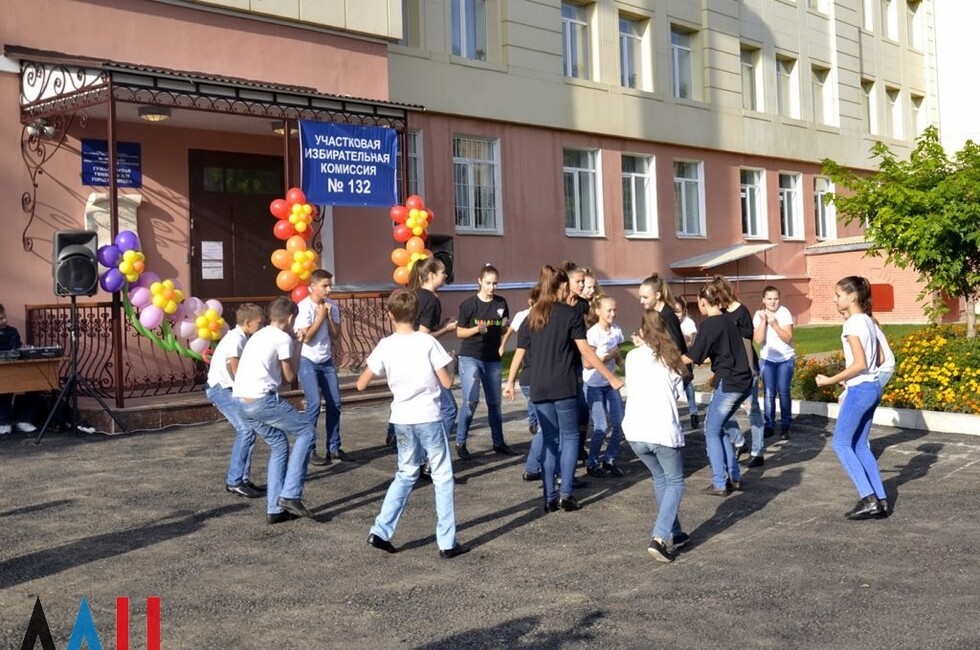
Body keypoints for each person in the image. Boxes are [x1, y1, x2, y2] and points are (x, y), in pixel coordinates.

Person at [504, 267, 623, 513]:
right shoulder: (570, 315)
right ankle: (565, 495)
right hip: (564, 384)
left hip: (538, 385)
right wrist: (611, 377)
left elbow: (519, 352)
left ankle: (549, 496)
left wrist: (510, 382)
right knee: (569, 437)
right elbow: (586, 351)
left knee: (550, 439)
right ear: (561, 286)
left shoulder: (532, 316)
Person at [357, 291, 466, 558]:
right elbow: (447, 382)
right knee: (441, 476)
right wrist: (451, 363)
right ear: (417, 314)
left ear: (390, 315)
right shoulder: (427, 342)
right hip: (428, 415)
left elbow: (361, 383)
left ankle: (381, 530)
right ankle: (446, 542)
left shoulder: (386, 345)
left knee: (406, 473)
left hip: (401, 418)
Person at [233, 297, 317, 524]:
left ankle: (274, 510)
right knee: (307, 431)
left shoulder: (259, 335)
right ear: (290, 318)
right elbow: (290, 378)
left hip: (241, 401)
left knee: (279, 444)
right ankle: (290, 494)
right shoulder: (283, 339)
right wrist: (298, 344)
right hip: (262, 401)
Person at [816, 276, 889, 520]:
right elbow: (877, 359)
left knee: (841, 444)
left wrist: (831, 379)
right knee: (859, 444)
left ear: (852, 297)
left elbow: (858, 363)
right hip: (873, 387)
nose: (835, 300)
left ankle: (868, 498)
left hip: (859, 391)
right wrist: (858, 371)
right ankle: (880, 500)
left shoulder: (851, 325)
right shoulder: (868, 321)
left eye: (838, 295)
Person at [622, 309, 690, 562]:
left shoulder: (631, 357)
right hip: (661, 430)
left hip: (635, 431)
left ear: (641, 331)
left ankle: (676, 533)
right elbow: (676, 392)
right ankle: (659, 537)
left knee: (660, 479)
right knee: (675, 482)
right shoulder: (671, 359)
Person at [681, 282, 753, 497]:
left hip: (729, 382)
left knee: (710, 430)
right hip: (743, 380)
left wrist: (665, 357)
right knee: (719, 428)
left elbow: (693, 357)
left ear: (703, 302)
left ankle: (720, 483)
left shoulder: (710, 324)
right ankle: (735, 477)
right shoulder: (728, 320)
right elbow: (716, 349)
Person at [383, 257, 459, 451]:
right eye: (442, 273)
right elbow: (423, 336)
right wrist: (447, 329)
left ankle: (396, 435)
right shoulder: (430, 300)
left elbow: (414, 329)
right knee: (449, 408)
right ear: (431, 275)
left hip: (406, 355)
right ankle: (431, 453)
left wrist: (442, 325)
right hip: (422, 358)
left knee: (406, 398)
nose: (446, 276)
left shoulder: (415, 295)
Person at [455, 264, 517, 459]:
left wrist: (505, 327)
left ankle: (498, 442)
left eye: (495, 283)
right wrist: (475, 330)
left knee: (494, 403)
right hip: (471, 356)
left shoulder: (501, 303)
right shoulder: (469, 305)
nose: (492, 287)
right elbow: (459, 332)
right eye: (488, 283)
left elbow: (501, 328)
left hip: (492, 359)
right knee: (471, 401)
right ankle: (460, 442)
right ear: (480, 281)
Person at [205, 302, 266, 499]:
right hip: (221, 390)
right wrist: (246, 389)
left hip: (228, 389)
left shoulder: (241, 337)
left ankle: (243, 479)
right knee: (246, 430)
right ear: (248, 323)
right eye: (260, 323)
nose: (261, 326)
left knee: (250, 429)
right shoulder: (236, 339)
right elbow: (235, 367)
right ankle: (234, 481)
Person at [296, 269, 352, 465]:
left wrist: (327, 316)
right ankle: (309, 450)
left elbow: (336, 335)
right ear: (312, 287)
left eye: (330, 285)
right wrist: (320, 316)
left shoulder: (332, 306)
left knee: (335, 403)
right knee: (313, 405)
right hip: (308, 360)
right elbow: (307, 338)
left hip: (326, 361)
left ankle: (334, 447)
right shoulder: (303, 307)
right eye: (324, 286)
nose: (329, 289)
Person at [709, 276, 766, 464]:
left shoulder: (741, 312)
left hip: (745, 368)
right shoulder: (722, 312)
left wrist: (751, 369)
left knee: (752, 409)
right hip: (728, 369)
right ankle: (740, 441)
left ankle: (757, 452)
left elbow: (747, 342)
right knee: (721, 411)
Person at [583, 295, 626, 477]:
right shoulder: (593, 333)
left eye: (615, 310)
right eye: (609, 310)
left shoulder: (616, 330)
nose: (613, 313)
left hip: (610, 384)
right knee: (601, 425)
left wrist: (623, 365)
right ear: (598, 311)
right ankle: (591, 463)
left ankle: (609, 460)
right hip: (593, 385)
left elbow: (618, 357)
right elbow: (587, 363)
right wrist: (610, 355)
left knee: (620, 423)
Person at [753, 286, 796, 450]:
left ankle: (786, 424)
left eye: (776, 298)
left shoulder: (784, 312)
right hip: (768, 359)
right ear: (763, 299)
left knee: (783, 391)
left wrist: (776, 325)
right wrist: (764, 321)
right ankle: (769, 424)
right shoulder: (758, 315)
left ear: (779, 299)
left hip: (785, 358)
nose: (773, 302)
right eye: (769, 299)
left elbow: (788, 338)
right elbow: (758, 340)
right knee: (769, 392)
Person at [501, 288, 539, 439]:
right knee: (533, 400)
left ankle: (534, 422)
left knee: (534, 401)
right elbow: (510, 332)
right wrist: (502, 346)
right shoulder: (523, 316)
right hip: (529, 366)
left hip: (536, 369)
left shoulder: (548, 316)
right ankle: (533, 421)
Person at [0, 303, 38, 434]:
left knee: (36, 385)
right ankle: (3, 421)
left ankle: (23, 419)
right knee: (4, 388)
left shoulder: (12, 332)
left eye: (4, 316)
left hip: (14, 368)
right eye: (0, 319)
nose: (5, 320)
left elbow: (18, 349)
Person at [673, 296, 701, 430]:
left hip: (685, 357)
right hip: (672, 358)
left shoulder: (688, 323)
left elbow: (689, 341)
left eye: (678, 311)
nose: (676, 314)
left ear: (684, 311)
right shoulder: (670, 322)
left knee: (686, 383)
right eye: (673, 311)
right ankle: (673, 410)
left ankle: (693, 412)